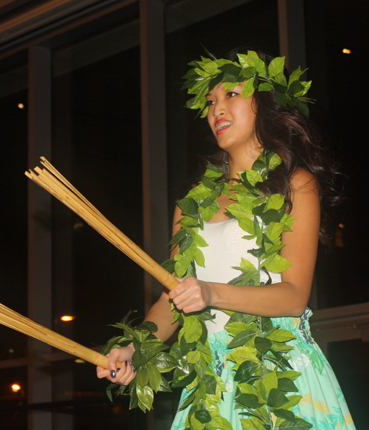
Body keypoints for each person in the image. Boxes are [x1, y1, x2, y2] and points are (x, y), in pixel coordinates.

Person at [97, 49, 355, 429]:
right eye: (210, 101)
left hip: (279, 373)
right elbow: (177, 296)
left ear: (264, 103)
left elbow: (294, 295)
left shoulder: (293, 185)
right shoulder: (191, 205)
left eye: (231, 95)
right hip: (210, 382)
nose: (216, 109)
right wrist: (135, 350)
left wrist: (212, 292)